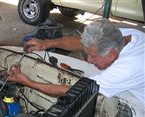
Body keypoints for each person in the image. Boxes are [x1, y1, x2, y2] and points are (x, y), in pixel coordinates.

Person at [8, 19, 145, 105]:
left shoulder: (128, 68)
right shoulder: (122, 36)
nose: (88, 60)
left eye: (92, 56)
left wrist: (28, 83)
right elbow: (82, 43)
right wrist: (46, 43)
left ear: (112, 55)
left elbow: (77, 91)